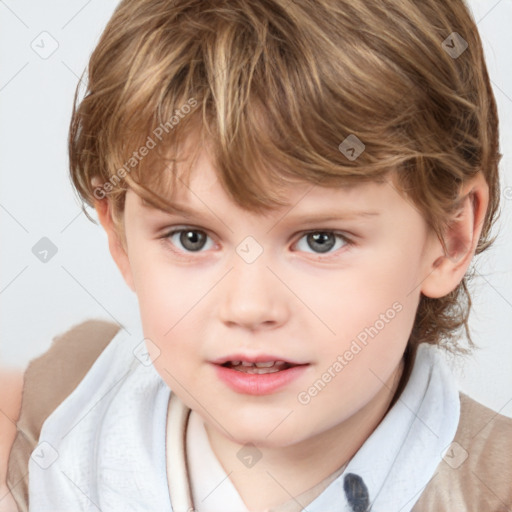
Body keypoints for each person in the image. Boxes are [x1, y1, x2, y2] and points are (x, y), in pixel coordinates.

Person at [3, 0, 512, 510]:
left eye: (320, 240)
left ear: (450, 237)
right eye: (192, 238)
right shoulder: (35, 441)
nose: (248, 307)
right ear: (120, 236)